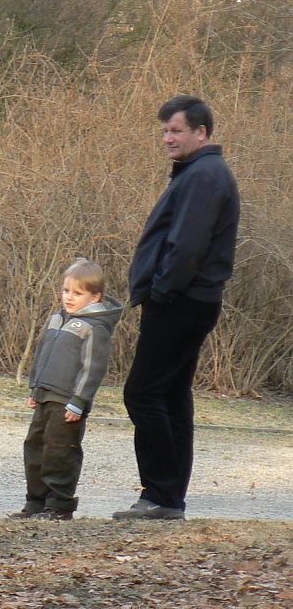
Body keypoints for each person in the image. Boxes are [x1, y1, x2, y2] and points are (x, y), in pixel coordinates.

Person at [113, 95, 240, 521]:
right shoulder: (198, 173)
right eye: (165, 131)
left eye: (176, 131)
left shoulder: (204, 177)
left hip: (182, 301)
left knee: (143, 393)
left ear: (201, 133)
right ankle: (168, 499)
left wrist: (162, 290)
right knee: (170, 396)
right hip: (189, 300)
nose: (167, 138)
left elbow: (186, 246)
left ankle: (160, 496)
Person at [10, 258, 122, 521]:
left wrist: (79, 400)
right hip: (45, 395)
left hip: (68, 402)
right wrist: (34, 388)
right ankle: (35, 502)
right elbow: (41, 356)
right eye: (66, 291)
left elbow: (92, 368)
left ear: (95, 297)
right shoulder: (55, 320)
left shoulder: (95, 328)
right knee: (35, 448)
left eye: (78, 293)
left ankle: (59, 505)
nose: (69, 297)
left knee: (60, 452)